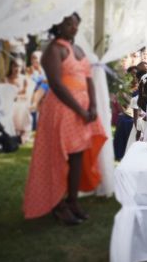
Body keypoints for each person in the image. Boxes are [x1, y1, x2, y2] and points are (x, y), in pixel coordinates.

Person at [23, 13, 107, 225]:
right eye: (68, 22)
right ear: (58, 24)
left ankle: (72, 201)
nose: (73, 26)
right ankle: (57, 205)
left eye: (76, 23)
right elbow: (56, 85)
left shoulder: (78, 50)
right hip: (62, 109)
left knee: (78, 156)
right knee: (57, 156)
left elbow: (88, 81)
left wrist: (93, 105)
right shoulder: (53, 49)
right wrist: (80, 109)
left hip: (82, 110)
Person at [5, 59, 32, 142]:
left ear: (22, 67)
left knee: (21, 107)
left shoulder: (25, 79)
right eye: (15, 66)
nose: (17, 68)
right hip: (8, 103)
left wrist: (16, 96)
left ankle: (22, 132)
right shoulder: (6, 79)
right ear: (11, 67)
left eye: (19, 66)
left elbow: (27, 96)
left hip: (21, 103)